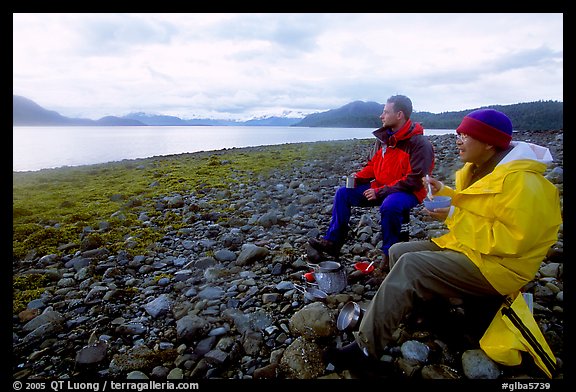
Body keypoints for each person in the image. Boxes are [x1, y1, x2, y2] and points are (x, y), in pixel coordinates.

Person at [323, 108, 562, 370]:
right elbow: (480, 207)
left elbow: (511, 242)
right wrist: (446, 192)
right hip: (471, 249)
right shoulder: (484, 169)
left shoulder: (526, 185)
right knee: (399, 251)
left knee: (410, 266)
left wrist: (452, 215)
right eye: (458, 133)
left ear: (489, 142)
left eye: (466, 135)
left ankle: (366, 349)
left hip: (498, 267)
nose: (457, 140)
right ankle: (435, 318)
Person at [308, 95, 435, 270]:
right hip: (382, 187)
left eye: (385, 112)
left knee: (390, 205)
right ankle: (333, 242)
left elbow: (415, 180)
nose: (381, 116)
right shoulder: (386, 140)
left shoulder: (419, 143)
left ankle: (390, 255)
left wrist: (381, 192)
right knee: (343, 193)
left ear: (399, 115)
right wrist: (358, 177)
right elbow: (373, 166)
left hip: (409, 192)